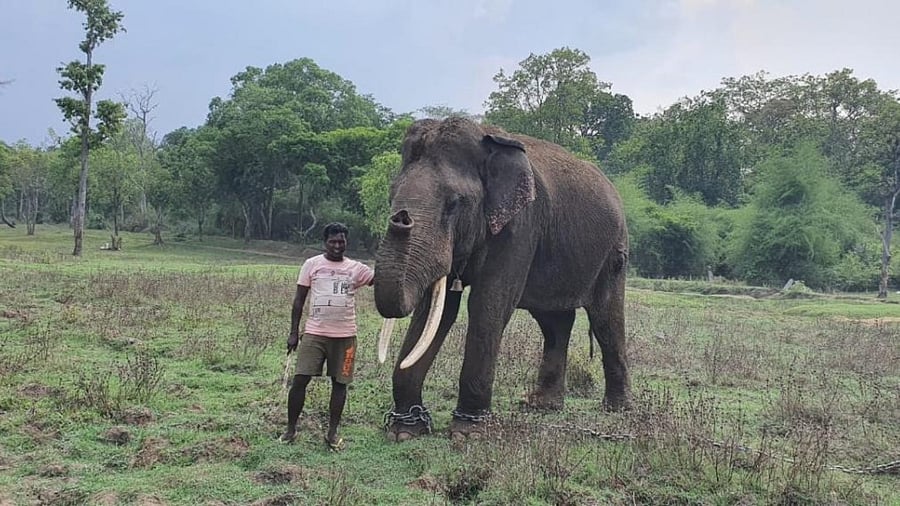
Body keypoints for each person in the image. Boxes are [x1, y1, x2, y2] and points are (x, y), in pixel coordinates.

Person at [280, 222, 374, 450]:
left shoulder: (357, 268)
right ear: (325, 242)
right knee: (300, 379)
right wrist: (294, 332)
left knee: (340, 383)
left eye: (341, 241)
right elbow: (299, 300)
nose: (337, 246)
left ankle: (332, 433)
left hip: (346, 336)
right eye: (333, 241)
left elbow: (382, 281)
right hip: (314, 334)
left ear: (346, 242)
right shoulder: (312, 265)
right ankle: (291, 429)